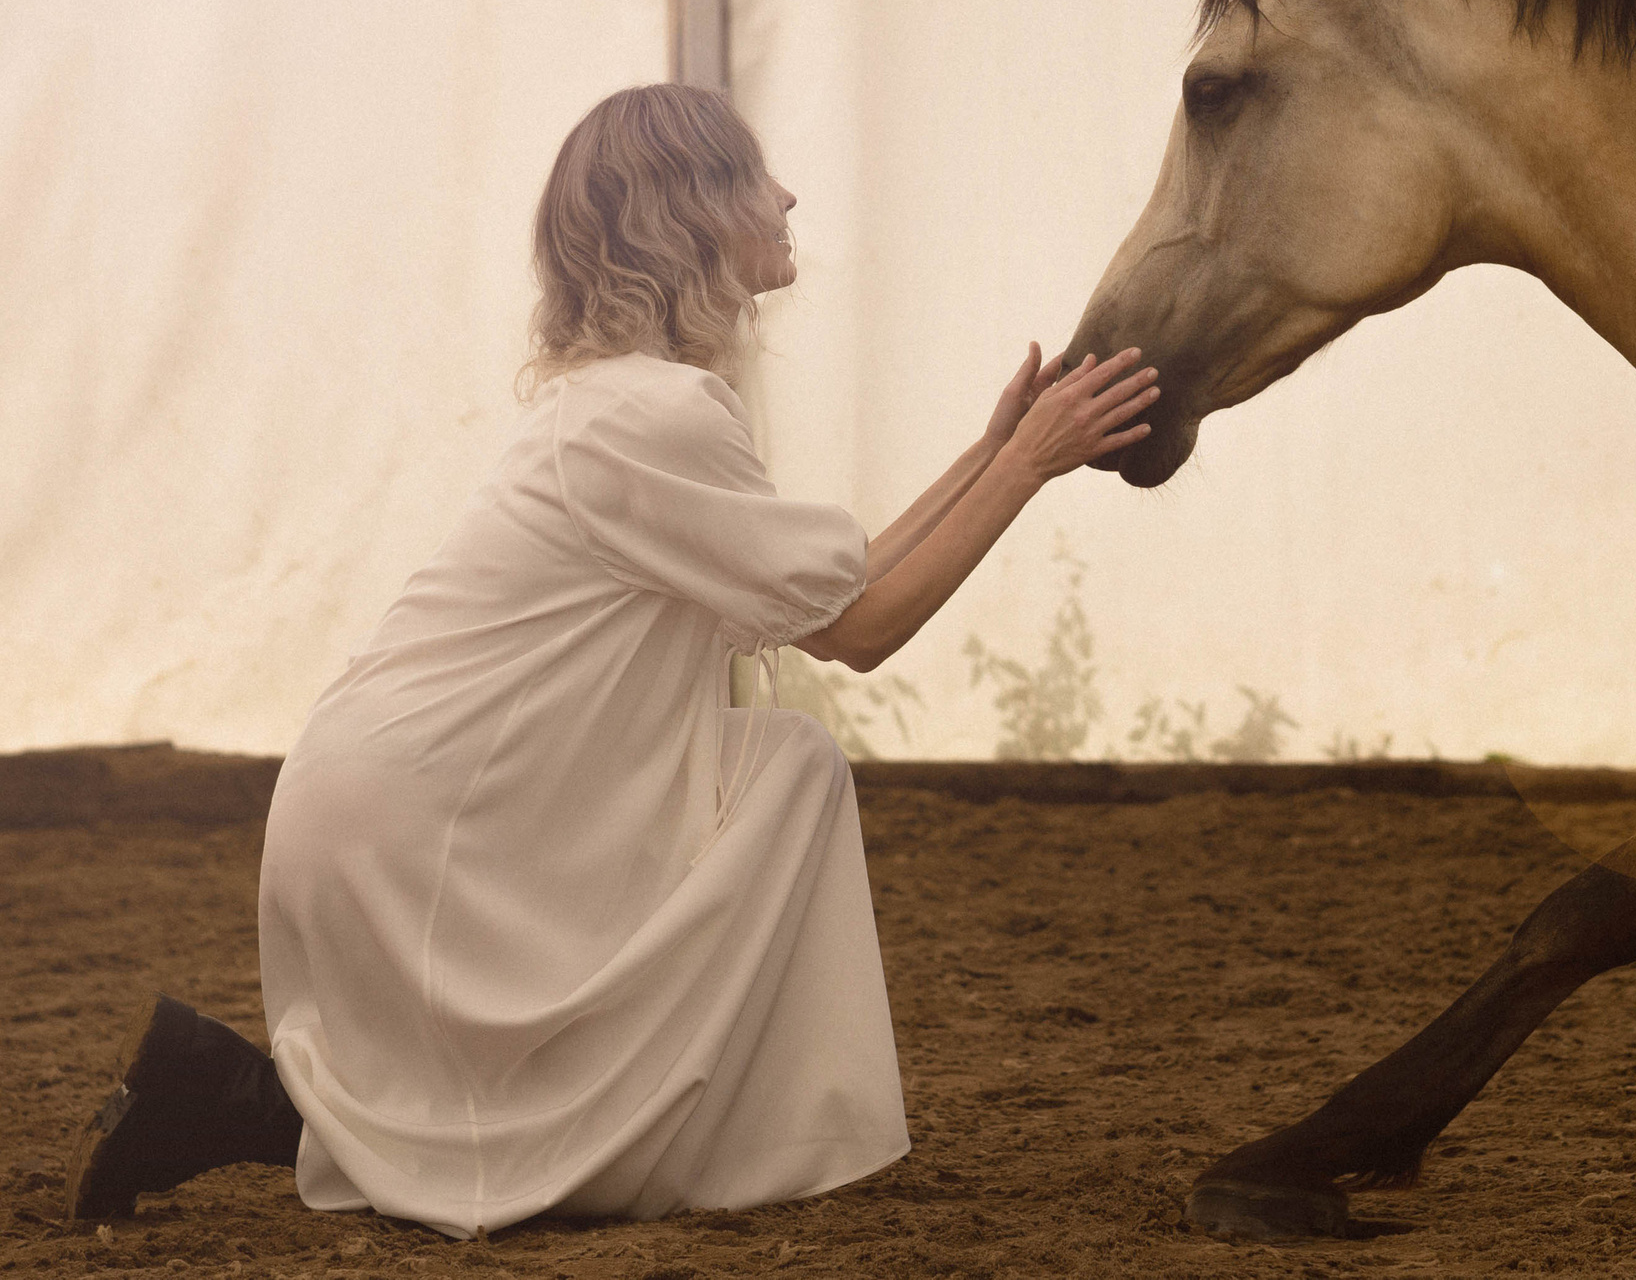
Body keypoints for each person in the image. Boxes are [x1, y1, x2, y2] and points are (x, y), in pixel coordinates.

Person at [65, 83, 1156, 1236]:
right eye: (752, 178)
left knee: (768, 764)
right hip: (421, 817)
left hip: (389, 794)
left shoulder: (619, 406)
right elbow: (863, 631)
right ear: (688, 215)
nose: (786, 196)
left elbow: (829, 591)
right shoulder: (655, 415)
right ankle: (250, 1098)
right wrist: (1028, 467)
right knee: (780, 773)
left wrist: (987, 453)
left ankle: (210, 1087)